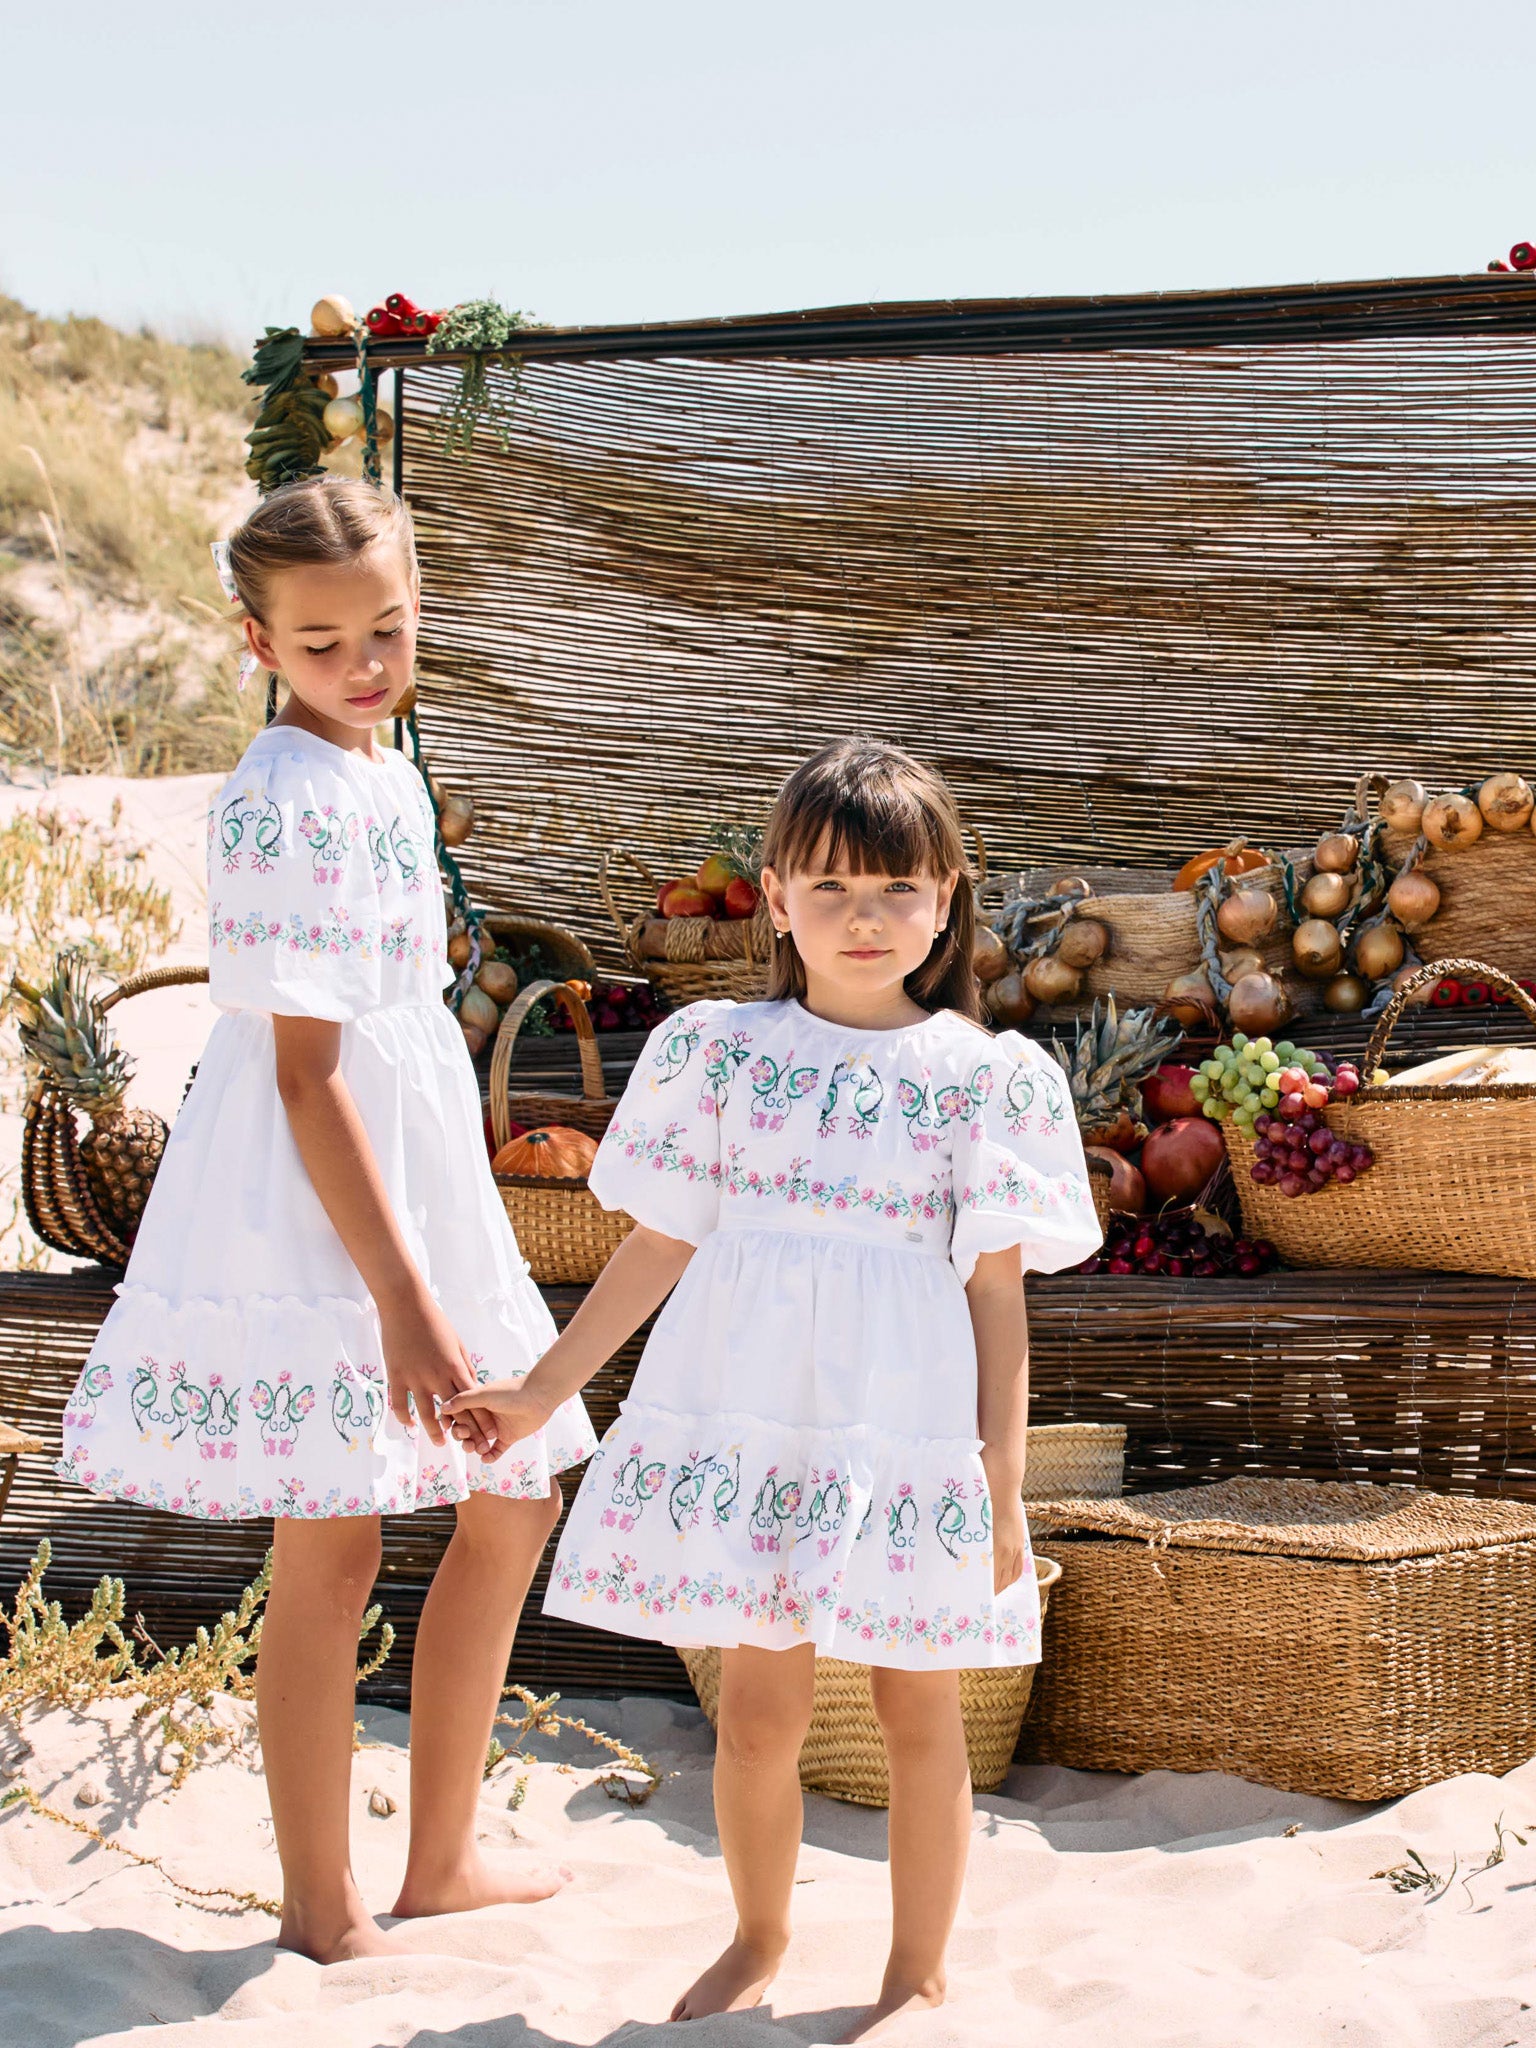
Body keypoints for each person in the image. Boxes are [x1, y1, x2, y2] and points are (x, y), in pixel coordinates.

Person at [446, 737, 1099, 2039]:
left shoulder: (987, 1079)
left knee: (921, 1711)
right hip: (758, 1429)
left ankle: (917, 1972)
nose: (866, 918)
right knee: (756, 1714)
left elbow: (996, 1300)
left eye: (898, 889)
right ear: (778, 899)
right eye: (831, 887)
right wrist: (542, 1387)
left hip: (905, 1436)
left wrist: (1003, 1486)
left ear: (946, 897)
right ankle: (757, 1937)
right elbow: (659, 1245)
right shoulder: (720, 1054)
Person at [57, 475, 596, 1964]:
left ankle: (442, 1857)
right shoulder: (281, 798)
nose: (364, 665)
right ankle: (321, 1904)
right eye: (321, 643)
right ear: (257, 642)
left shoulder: (387, 768)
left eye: (388, 630)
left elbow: (396, 1022)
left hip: (411, 1162)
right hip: (319, 1194)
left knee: (512, 1493)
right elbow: (307, 1077)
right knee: (334, 1538)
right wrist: (403, 1302)